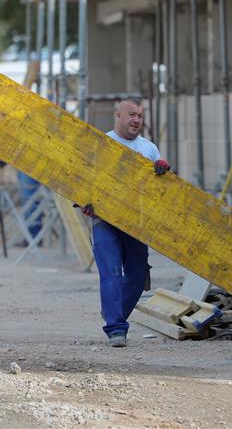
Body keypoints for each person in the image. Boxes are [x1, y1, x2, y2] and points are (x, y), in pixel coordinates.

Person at [79, 98, 170, 348]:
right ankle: (116, 328)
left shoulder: (150, 149)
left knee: (139, 277)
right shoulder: (102, 144)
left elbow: (159, 190)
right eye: (131, 114)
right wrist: (85, 202)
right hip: (105, 221)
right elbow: (85, 180)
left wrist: (163, 172)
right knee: (111, 274)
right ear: (117, 115)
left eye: (140, 116)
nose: (136, 120)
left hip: (136, 223)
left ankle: (113, 311)